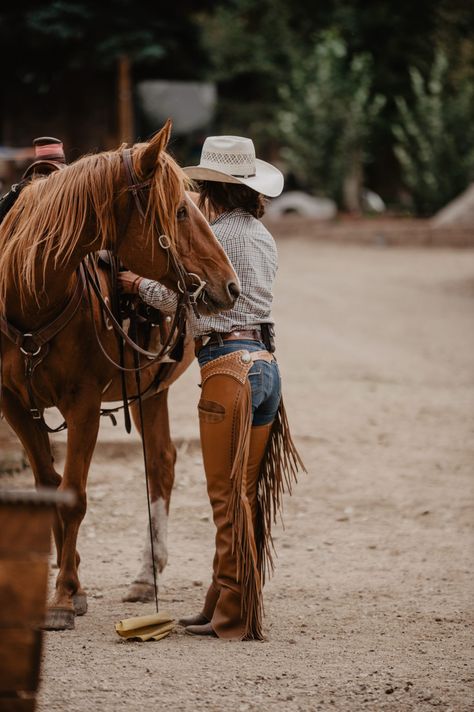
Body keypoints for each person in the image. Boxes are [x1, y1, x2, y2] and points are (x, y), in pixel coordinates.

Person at [118, 135, 304, 640]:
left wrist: (135, 285)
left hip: (227, 368)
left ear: (209, 188)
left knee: (226, 499)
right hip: (264, 365)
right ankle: (221, 598)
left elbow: (192, 303)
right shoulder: (261, 235)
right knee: (244, 494)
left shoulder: (216, 236)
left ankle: (235, 615)